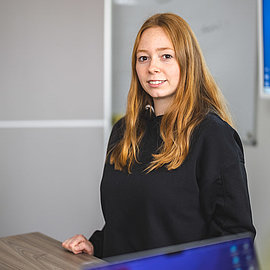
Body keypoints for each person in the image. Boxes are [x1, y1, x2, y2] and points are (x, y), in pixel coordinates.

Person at [62, 13, 256, 258]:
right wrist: (97, 245)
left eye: (166, 56)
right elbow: (129, 222)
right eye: (143, 58)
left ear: (187, 62)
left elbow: (234, 237)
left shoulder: (213, 135)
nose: (152, 67)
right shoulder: (124, 131)